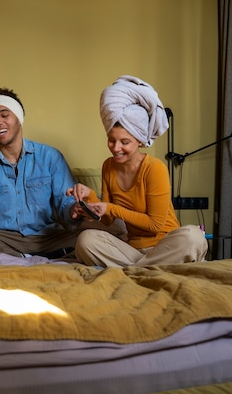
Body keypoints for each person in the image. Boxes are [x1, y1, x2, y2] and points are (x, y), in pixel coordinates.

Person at [67, 75, 208, 267]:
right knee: (86, 240)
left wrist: (112, 208)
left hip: (166, 246)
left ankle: (135, 269)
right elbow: (107, 220)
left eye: (125, 142)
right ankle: (148, 268)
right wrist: (89, 196)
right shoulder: (108, 166)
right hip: (133, 250)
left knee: (194, 237)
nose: (116, 148)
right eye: (111, 140)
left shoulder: (154, 168)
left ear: (140, 140)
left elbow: (155, 225)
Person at [0, 87, 84, 257]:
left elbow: (66, 205)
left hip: (46, 237)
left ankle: (33, 253)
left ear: (19, 119)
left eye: (4, 115)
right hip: (2, 238)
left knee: (89, 237)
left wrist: (75, 208)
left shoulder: (50, 157)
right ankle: (27, 255)